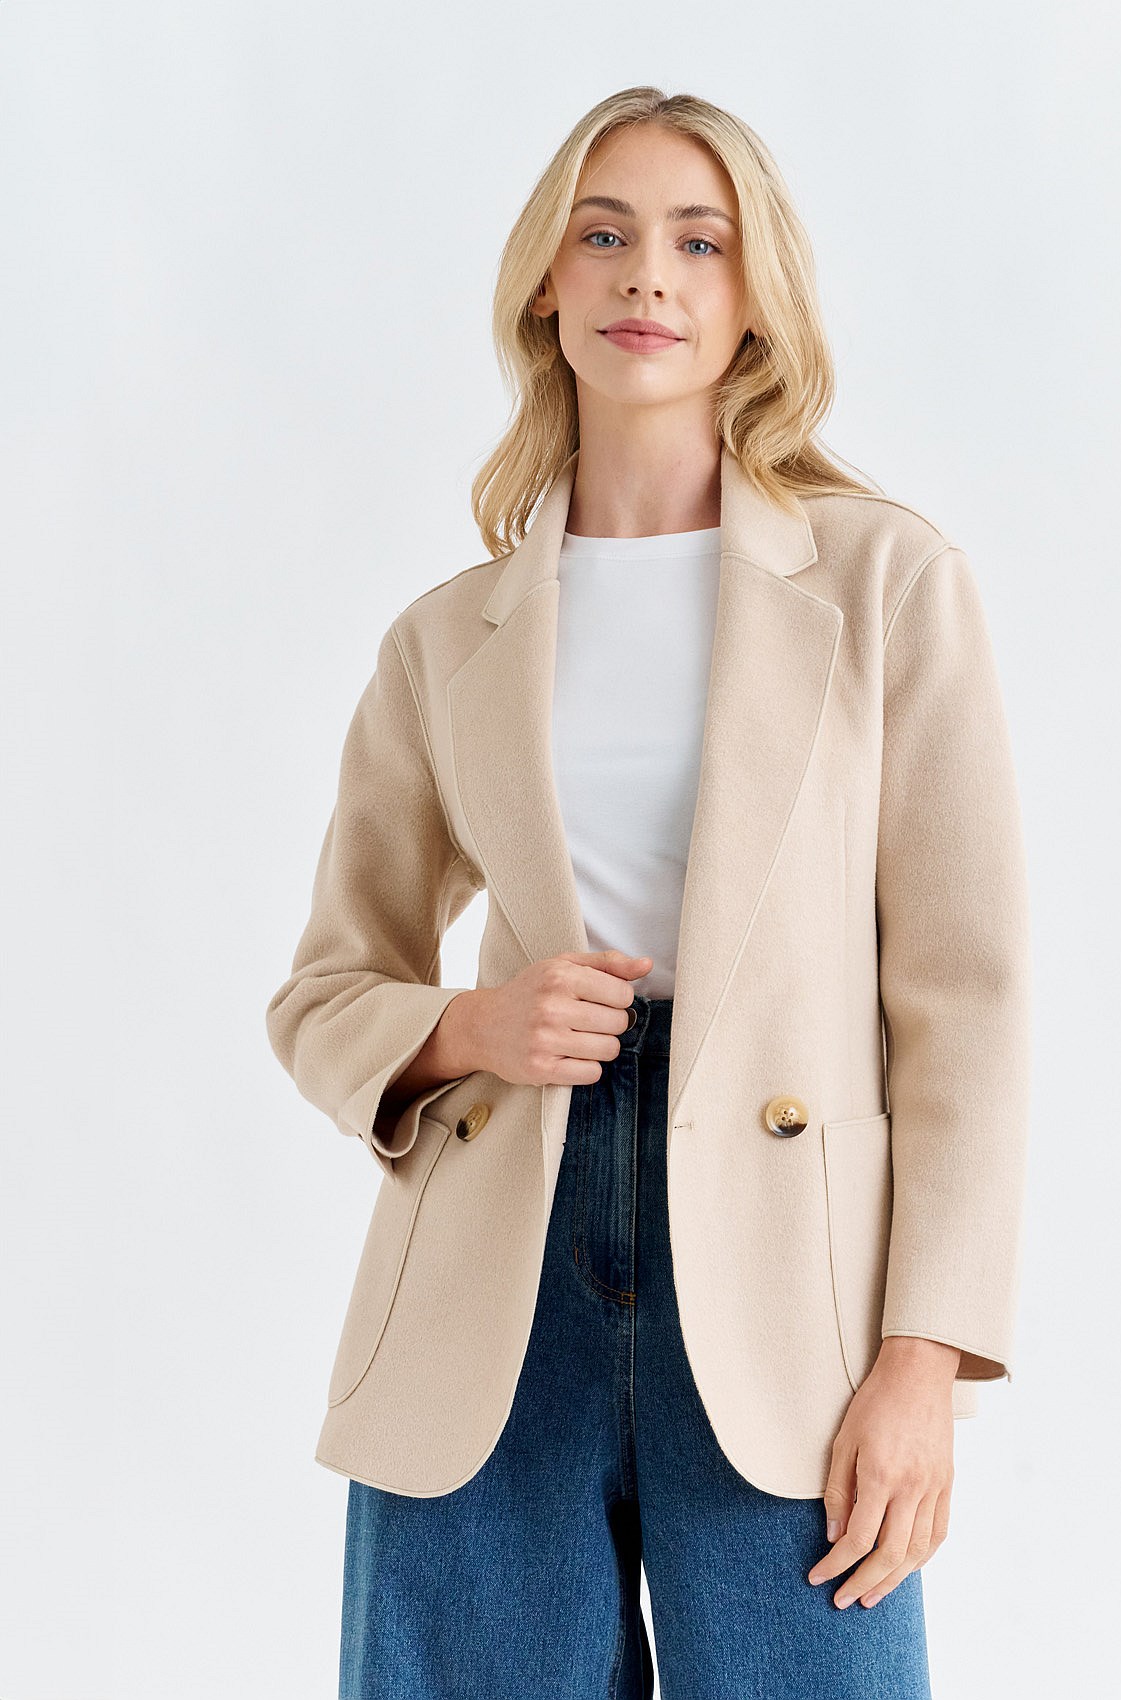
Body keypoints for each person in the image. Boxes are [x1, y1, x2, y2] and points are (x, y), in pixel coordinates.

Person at [266, 84, 1032, 1700]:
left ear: (756, 297)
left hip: (789, 1290)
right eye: (603, 235)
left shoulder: (886, 582)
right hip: (494, 1274)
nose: (647, 277)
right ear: (546, 282)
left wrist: (925, 1359)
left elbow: (964, 1004)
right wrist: (468, 1027)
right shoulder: (446, 639)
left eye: (700, 241)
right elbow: (327, 989)